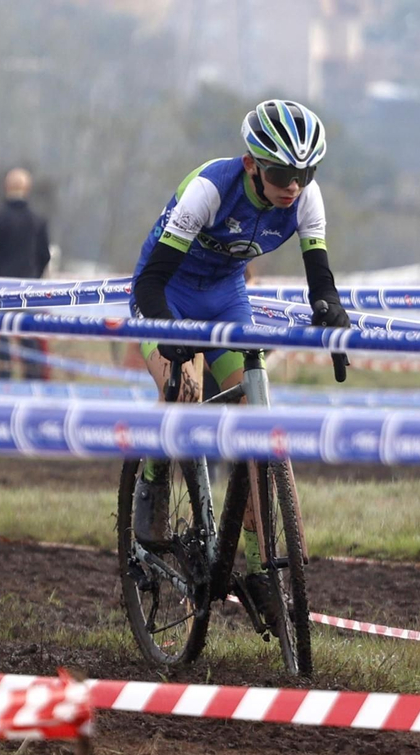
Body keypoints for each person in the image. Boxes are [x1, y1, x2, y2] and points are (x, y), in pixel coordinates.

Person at [128, 98, 347, 615]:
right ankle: (152, 491)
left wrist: (332, 320)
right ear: (252, 164)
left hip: (226, 298)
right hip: (169, 292)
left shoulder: (305, 199)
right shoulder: (210, 189)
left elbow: (322, 284)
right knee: (184, 394)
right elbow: (152, 280)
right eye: (282, 173)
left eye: (305, 172)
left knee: (253, 421)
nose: (294, 184)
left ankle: (258, 568)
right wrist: (170, 335)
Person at [0, 169, 52, 380]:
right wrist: (35, 278)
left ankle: (3, 378)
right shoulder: (37, 219)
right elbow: (45, 254)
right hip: (28, 286)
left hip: (1, 287)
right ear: (28, 188)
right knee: (28, 334)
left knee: (3, 335)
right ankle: (31, 377)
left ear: (7, 187)